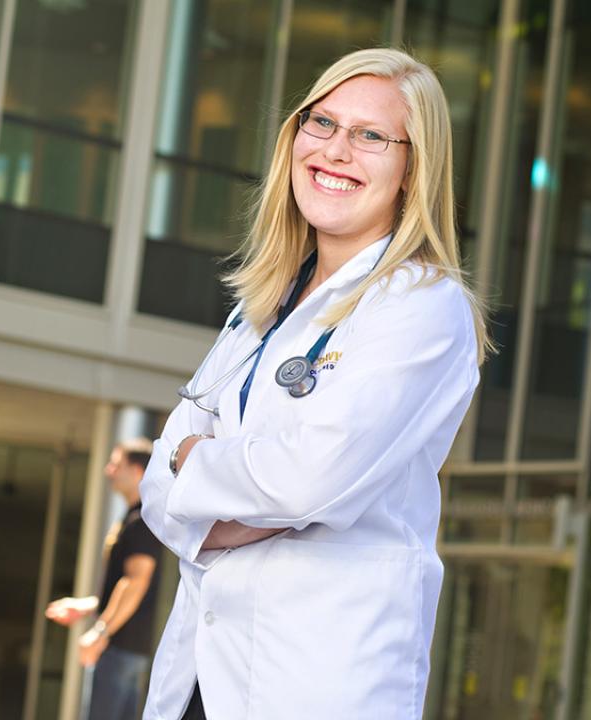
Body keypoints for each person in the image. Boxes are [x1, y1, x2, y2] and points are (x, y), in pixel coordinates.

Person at [138, 47, 488, 719]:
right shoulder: (262, 306)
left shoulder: (422, 306)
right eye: (322, 123)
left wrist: (199, 473)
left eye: (371, 136)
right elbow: (160, 485)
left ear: (414, 170)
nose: (335, 150)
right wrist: (222, 491)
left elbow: (310, 478)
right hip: (200, 679)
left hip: (315, 680)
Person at [46, 439, 164, 720]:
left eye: (116, 464)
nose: (108, 470)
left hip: (122, 647)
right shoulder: (135, 518)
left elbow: (136, 582)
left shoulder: (142, 520)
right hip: (125, 647)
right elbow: (126, 584)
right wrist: (87, 606)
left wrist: (101, 632)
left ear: (136, 471)